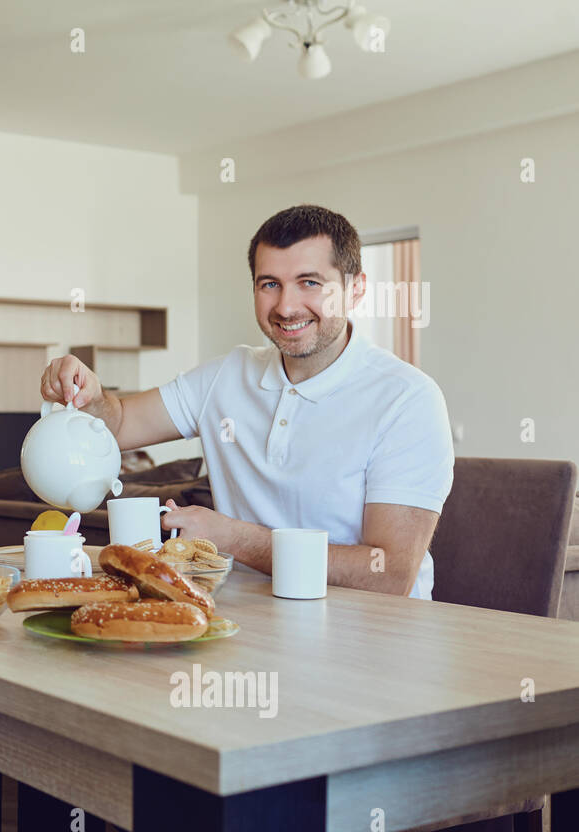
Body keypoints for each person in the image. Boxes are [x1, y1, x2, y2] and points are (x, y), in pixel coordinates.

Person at [41, 203, 454, 601]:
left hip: (376, 647)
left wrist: (234, 538)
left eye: (310, 282)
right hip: (248, 628)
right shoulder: (227, 376)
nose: (286, 306)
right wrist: (92, 397)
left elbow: (391, 575)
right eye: (269, 284)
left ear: (356, 289)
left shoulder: (407, 399)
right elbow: (120, 424)